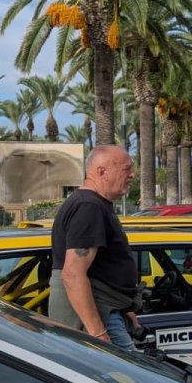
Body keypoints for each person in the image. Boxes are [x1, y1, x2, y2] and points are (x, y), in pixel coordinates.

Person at [48, 145, 140, 349]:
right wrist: (98, 334)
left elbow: (101, 268)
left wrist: (125, 307)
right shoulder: (89, 207)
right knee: (125, 378)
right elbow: (72, 274)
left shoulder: (94, 204)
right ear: (101, 171)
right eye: (126, 169)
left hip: (109, 310)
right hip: (100, 317)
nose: (132, 175)